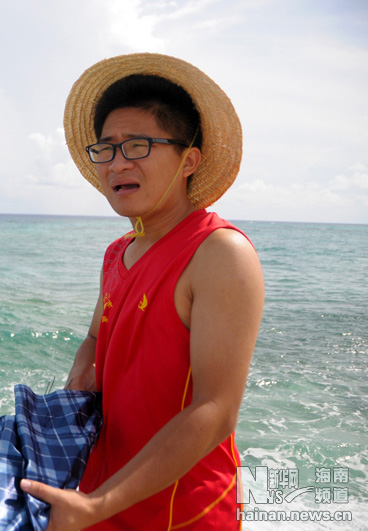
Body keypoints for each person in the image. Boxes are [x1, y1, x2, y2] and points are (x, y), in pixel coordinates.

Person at [20, 53, 265, 530]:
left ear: (188, 159)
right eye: (106, 149)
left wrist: (97, 504)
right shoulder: (118, 252)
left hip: (182, 511)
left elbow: (216, 410)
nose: (116, 163)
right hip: (101, 494)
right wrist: (83, 365)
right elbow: (96, 336)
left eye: (137, 145)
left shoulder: (219, 252)